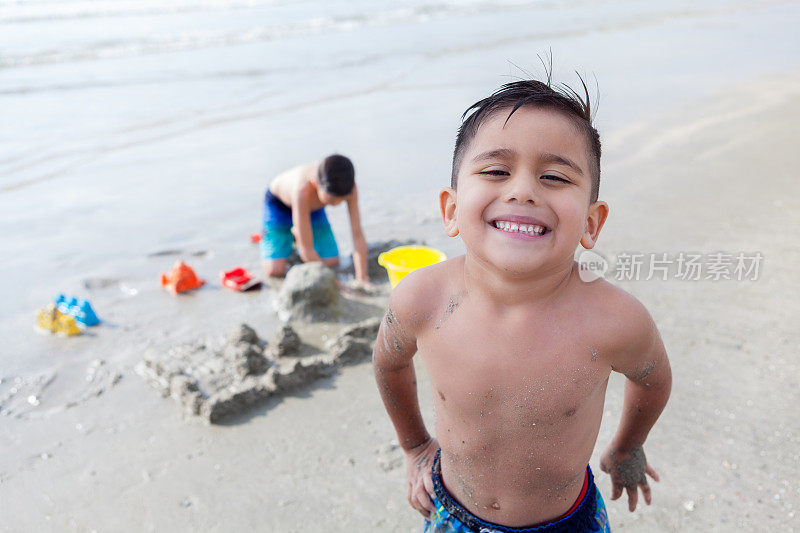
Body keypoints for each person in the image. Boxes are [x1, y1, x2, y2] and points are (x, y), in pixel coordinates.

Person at [373, 79, 672, 532]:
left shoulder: (615, 319)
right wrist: (414, 445)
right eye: (495, 171)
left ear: (591, 224)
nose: (523, 191)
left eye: (554, 177)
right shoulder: (422, 299)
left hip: (569, 522)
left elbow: (653, 381)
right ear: (451, 210)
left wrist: (628, 446)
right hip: (454, 514)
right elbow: (388, 362)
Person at [261, 154, 371, 287]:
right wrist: (337, 285)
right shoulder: (301, 190)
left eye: (341, 200)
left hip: (313, 208)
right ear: (316, 184)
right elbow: (307, 250)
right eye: (331, 201)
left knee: (332, 261)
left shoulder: (349, 188)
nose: (336, 204)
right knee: (275, 271)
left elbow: (357, 235)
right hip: (279, 206)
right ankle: (293, 235)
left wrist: (363, 277)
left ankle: (299, 234)